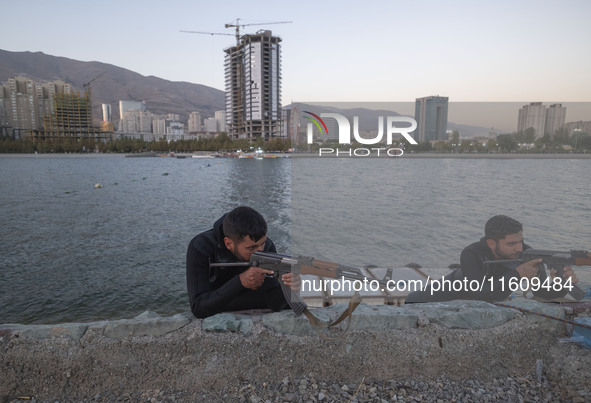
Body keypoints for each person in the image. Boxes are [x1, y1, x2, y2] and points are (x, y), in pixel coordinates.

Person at [405, 215, 579, 303]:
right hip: (444, 293)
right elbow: (479, 294)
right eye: (511, 244)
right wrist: (517, 275)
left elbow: (543, 293)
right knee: (411, 300)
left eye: (521, 241)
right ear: (491, 243)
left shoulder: (526, 253)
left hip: (482, 301)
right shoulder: (471, 253)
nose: (519, 248)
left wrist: (561, 283)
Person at [186, 206, 295, 318]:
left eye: (262, 243)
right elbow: (198, 308)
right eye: (251, 248)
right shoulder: (202, 246)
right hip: (216, 304)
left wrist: (289, 285)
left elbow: (273, 304)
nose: (260, 251)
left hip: (234, 304)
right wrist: (240, 281)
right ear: (228, 243)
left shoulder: (267, 246)